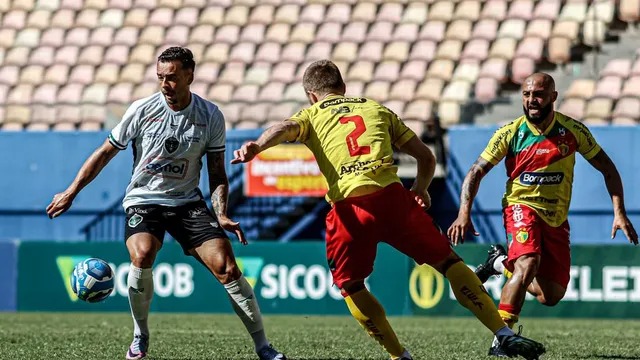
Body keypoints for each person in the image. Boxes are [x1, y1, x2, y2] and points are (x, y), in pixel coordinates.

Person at [231, 60, 546, 360]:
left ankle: (399, 354)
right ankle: (502, 332)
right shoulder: (374, 108)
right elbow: (426, 157)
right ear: (343, 85)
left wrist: (257, 146)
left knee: (352, 286)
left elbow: (284, 128)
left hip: (349, 209)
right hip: (392, 199)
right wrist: (420, 188)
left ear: (311, 95)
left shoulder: (311, 114)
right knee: (449, 263)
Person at [46, 47, 286, 360]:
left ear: (190, 75)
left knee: (227, 268)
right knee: (143, 253)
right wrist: (71, 191)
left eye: (171, 77)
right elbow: (105, 152)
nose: (164, 84)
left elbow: (217, 172)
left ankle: (263, 346)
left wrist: (222, 213)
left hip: (187, 203)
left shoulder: (210, 115)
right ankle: (140, 335)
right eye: (160, 77)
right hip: (144, 200)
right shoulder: (142, 110)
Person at [447, 73, 638, 357]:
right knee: (528, 262)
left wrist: (619, 213)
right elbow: (475, 171)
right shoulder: (510, 133)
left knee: (551, 295)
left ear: (553, 97)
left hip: (556, 218)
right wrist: (464, 212)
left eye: (537, 94)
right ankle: (502, 340)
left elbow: (608, 169)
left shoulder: (572, 131)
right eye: (526, 95)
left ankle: (499, 263)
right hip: (520, 207)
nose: (531, 101)